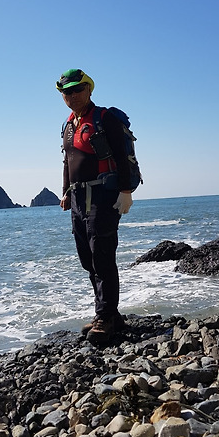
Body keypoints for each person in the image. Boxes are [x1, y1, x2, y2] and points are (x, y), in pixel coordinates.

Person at [57, 68, 133, 345]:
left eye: (78, 89)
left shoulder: (104, 118)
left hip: (103, 194)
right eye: (67, 92)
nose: (73, 95)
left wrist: (126, 191)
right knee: (87, 259)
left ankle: (105, 317)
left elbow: (122, 156)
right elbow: (68, 161)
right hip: (78, 198)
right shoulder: (68, 125)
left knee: (102, 255)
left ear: (89, 88)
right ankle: (110, 313)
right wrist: (65, 192)